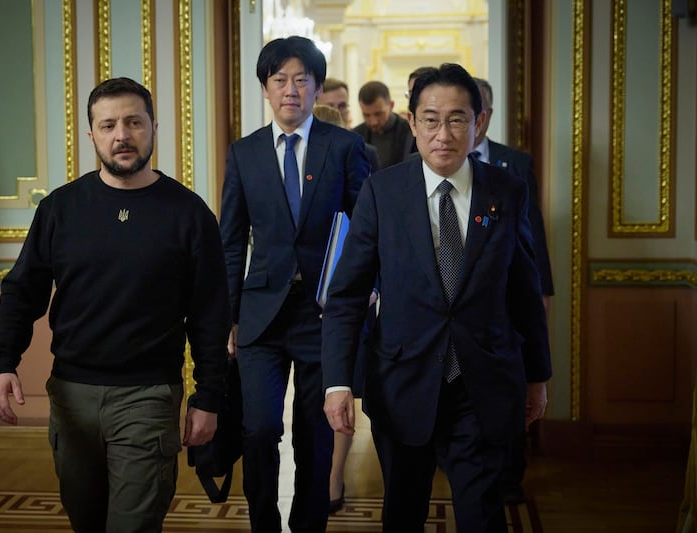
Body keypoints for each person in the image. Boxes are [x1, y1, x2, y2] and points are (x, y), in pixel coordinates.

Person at [0, 77, 231, 533]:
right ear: (92, 134)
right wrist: (4, 363)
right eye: (108, 125)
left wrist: (208, 396)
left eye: (134, 122)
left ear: (154, 127)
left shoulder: (189, 214)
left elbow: (210, 315)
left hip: (148, 397)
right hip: (71, 396)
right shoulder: (61, 209)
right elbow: (23, 291)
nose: (122, 135)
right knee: (87, 523)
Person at [322, 63, 552, 532]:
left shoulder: (505, 191)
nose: (442, 133)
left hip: (483, 383)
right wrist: (337, 381)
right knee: (403, 512)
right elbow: (347, 295)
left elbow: (524, 289)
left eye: (456, 119)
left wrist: (537, 376)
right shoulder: (382, 192)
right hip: (402, 382)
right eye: (430, 119)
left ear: (478, 121)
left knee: (482, 516)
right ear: (412, 122)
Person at [220, 36, 369, 533]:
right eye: (280, 79)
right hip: (261, 313)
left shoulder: (346, 147)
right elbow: (231, 241)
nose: (291, 89)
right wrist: (230, 316)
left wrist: (355, 298)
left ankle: (309, 527)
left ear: (317, 87)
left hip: (322, 315)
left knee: (314, 434)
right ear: (265, 87)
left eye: (301, 80)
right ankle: (263, 523)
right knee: (259, 428)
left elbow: (365, 229)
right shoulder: (243, 154)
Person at [472, 76, 555, 504]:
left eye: (480, 110)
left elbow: (532, 234)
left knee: (509, 388)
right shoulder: (426, 161)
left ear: (486, 114)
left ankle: (509, 476)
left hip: (506, 301)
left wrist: (542, 288)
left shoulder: (513, 164)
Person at [311, 104, 376, 513]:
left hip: (349, 292)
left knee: (342, 386)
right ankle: (326, 475)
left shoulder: (361, 167)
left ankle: (333, 475)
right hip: (297, 295)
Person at [353, 80, 415, 169]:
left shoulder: (410, 132)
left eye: (378, 114)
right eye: (366, 115)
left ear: (391, 105)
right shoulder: (356, 135)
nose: (373, 121)